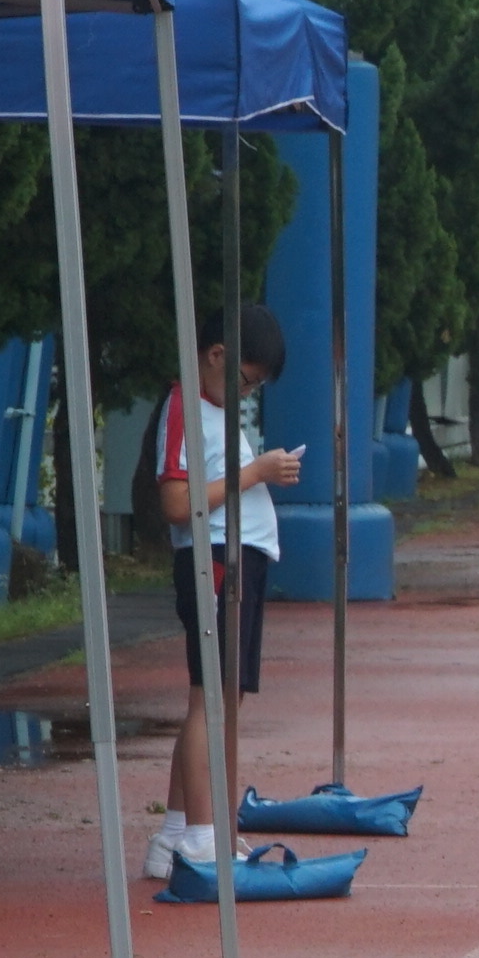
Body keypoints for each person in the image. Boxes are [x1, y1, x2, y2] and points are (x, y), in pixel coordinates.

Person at [150, 301, 299, 877]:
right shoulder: (185, 405)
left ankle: (177, 833)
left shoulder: (214, 409)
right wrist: (255, 473)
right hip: (214, 561)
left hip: (237, 558)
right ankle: (201, 836)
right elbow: (176, 502)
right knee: (210, 701)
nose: (248, 393)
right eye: (246, 381)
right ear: (216, 356)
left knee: (220, 699)